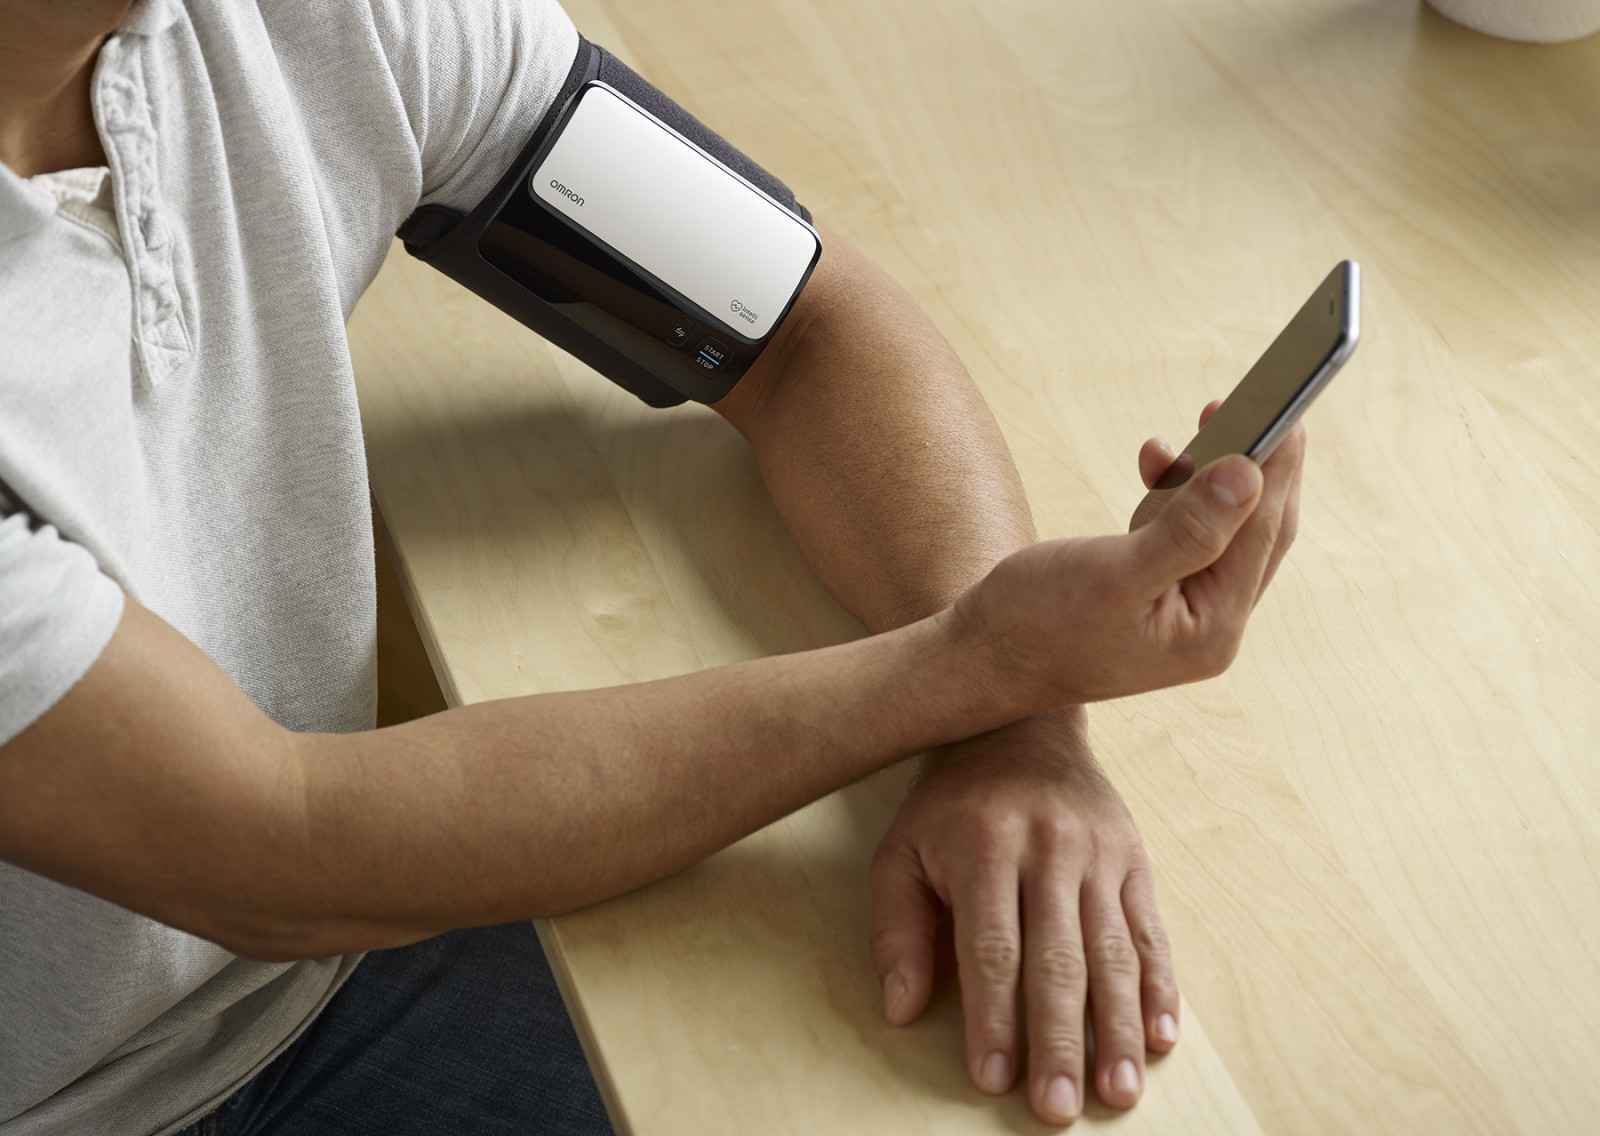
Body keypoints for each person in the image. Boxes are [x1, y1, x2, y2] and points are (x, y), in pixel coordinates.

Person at [0, 1, 1305, 1133]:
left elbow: (801, 329)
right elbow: (281, 841)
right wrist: (973, 666)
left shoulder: (316, 19)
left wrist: (1017, 733)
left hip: (328, 974)